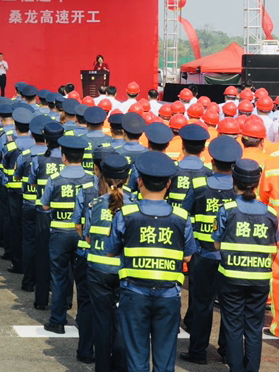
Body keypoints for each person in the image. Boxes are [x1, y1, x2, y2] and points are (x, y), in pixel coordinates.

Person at [106, 151, 197, 372]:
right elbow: (188, 255)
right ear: (168, 184)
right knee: (165, 361)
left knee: (136, 359)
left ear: (139, 182)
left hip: (134, 294)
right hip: (168, 295)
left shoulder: (126, 213)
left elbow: (110, 251)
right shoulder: (181, 216)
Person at [181, 136, 243, 365]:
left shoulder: (199, 186)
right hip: (229, 258)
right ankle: (227, 351)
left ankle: (198, 352)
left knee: (201, 305)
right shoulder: (240, 191)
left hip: (203, 255)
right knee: (230, 306)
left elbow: (185, 217)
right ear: (234, 164)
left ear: (212, 162)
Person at [215, 159, 276, 372]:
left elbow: (217, 243)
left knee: (233, 326)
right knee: (254, 328)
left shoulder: (227, 210)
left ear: (234, 180)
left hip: (231, 278)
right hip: (259, 280)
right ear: (257, 183)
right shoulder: (271, 214)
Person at [41, 136, 94, 346]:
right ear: (82, 157)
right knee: (83, 280)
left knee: (60, 277)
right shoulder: (92, 180)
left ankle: (58, 320)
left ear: (63, 157)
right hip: (82, 237)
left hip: (59, 235)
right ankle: (83, 320)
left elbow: (45, 206)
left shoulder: (55, 178)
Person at [85, 154, 132, 372]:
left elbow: (87, 237)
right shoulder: (136, 205)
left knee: (102, 322)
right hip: (125, 272)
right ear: (128, 177)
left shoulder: (95, 204)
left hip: (97, 271)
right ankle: (121, 367)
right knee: (123, 321)